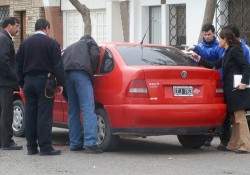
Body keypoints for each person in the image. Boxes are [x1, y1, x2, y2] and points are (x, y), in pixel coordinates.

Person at [187, 24, 250, 150]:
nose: (218, 41)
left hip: (238, 88)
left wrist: (244, 82)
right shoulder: (227, 53)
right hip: (230, 89)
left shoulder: (235, 51)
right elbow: (213, 64)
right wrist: (198, 58)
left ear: (225, 40)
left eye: (220, 39)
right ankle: (234, 143)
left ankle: (245, 145)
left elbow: (246, 66)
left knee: (239, 117)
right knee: (233, 118)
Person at [16, 19, 65, 156]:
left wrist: (21, 83)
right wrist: (61, 83)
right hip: (44, 82)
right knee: (44, 115)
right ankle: (45, 147)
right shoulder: (51, 43)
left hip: (28, 82)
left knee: (30, 114)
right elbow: (57, 65)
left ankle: (31, 147)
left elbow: (18, 64)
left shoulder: (25, 43)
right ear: (46, 28)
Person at [62, 35, 101, 153]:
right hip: (82, 74)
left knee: (73, 110)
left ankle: (75, 143)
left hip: (67, 76)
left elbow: (62, 61)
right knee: (88, 109)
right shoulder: (90, 43)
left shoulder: (70, 47)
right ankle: (90, 142)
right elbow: (95, 56)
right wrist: (91, 72)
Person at [0, 17, 23, 150]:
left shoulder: (3, 38)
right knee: (6, 112)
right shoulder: (4, 39)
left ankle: (3, 141)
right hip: (5, 83)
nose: (17, 30)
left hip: (3, 82)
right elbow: (3, 61)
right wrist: (14, 76)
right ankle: (7, 142)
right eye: (16, 26)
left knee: (3, 112)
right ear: (9, 26)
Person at [195, 23, 219, 147]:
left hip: (216, 79)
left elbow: (211, 56)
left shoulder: (218, 45)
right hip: (204, 80)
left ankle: (217, 136)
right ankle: (207, 137)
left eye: (209, 34)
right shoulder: (200, 45)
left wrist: (197, 51)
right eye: (205, 34)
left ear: (214, 33)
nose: (207, 37)